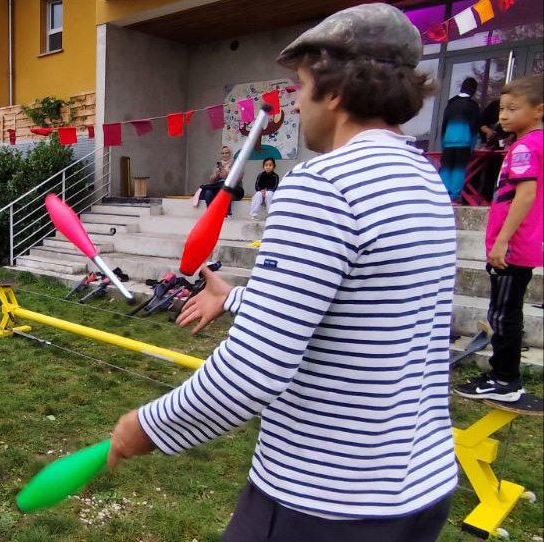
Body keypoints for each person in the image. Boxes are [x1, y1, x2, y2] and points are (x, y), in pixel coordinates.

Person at [106, 5, 458, 542]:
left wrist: (146, 427)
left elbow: (252, 372)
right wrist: (233, 300)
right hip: (418, 489)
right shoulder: (424, 181)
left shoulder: (324, 185)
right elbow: (361, 308)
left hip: (323, 499)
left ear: (335, 91)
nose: (294, 102)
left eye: (300, 85)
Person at [454, 75, 542, 402]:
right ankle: (504, 376)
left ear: (538, 111)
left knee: (503, 316)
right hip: (519, 246)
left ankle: (504, 380)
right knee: (506, 313)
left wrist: (503, 240)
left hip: (513, 248)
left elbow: (526, 194)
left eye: (512, 109)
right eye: (502, 108)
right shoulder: (532, 144)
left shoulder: (525, 148)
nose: (502, 115)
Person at [439, 77, 481, 201]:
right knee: (459, 168)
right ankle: (454, 196)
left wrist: (443, 144)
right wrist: (472, 147)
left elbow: (444, 126)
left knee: (446, 167)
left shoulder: (450, 104)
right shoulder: (472, 106)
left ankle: (442, 194)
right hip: (464, 142)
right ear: (473, 90)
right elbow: (474, 127)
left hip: (448, 141)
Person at [194, 145, 245, 216]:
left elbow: (238, 179)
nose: (224, 155)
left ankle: (227, 212)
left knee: (225, 185)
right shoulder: (219, 165)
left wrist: (226, 174)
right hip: (220, 189)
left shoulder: (237, 165)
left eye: (227, 153)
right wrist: (216, 176)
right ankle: (210, 213)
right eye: (222, 153)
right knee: (208, 192)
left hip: (236, 190)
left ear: (231, 154)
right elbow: (212, 182)